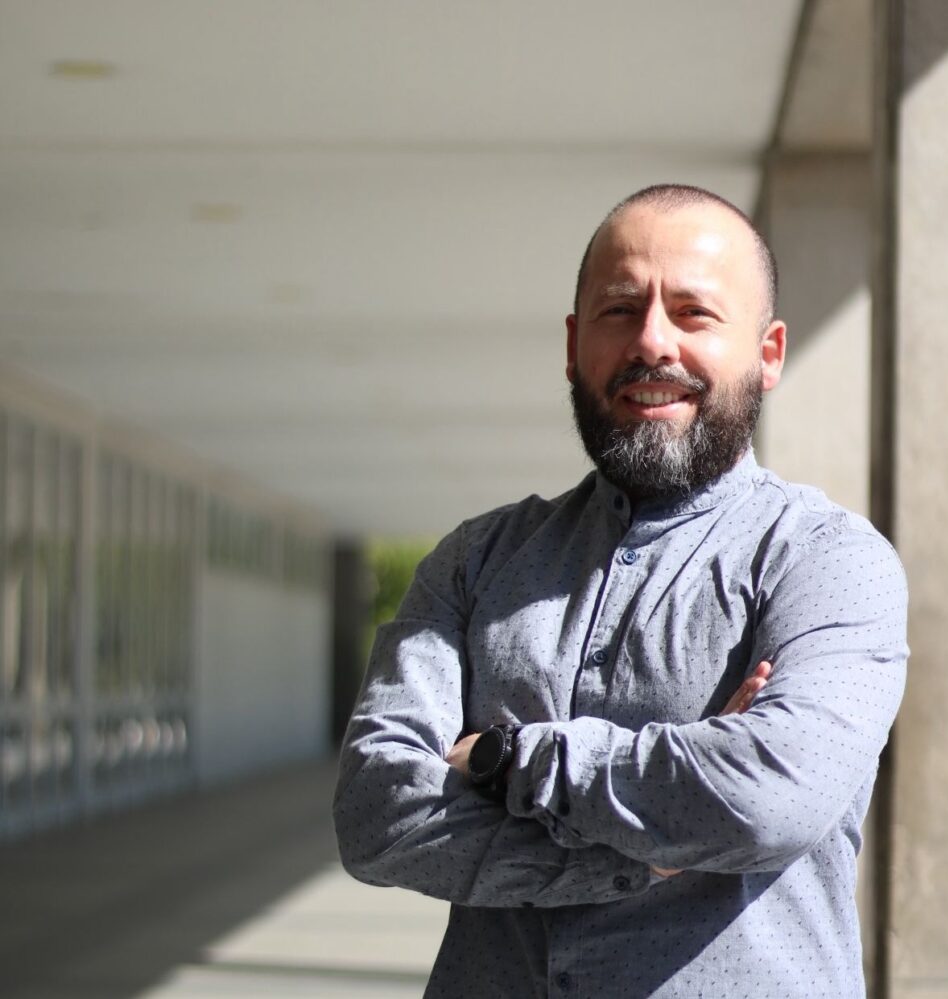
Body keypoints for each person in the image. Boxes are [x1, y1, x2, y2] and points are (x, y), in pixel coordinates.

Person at [333, 184, 908, 998]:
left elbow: (770, 797)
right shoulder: (475, 561)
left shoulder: (827, 562)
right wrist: (648, 849)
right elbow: (373, 812)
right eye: (620, 309)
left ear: (769, 353)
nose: (651, 341)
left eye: (693, 313)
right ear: (575, 346)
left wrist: (508, 758)